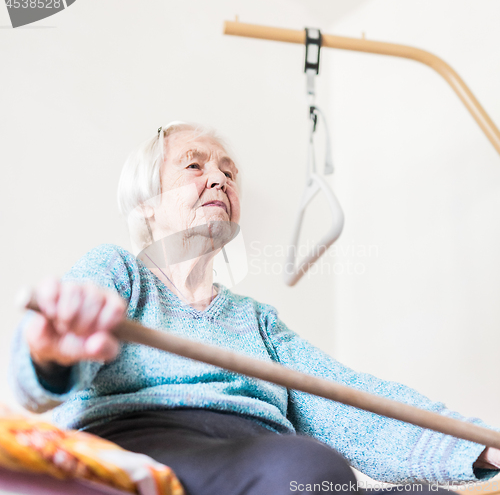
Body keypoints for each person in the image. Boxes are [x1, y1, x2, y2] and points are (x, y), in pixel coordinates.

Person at [9, 122, 500, 495]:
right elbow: (44, 368)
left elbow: (352, 404)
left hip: (264, 459)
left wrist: (478, 444)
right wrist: (52, 354)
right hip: (141, 446)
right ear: (145, 205)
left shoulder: (257, 320)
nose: (219, 179)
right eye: (194, 166)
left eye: (228, 171)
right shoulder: (117, 270)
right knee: (311, 470)